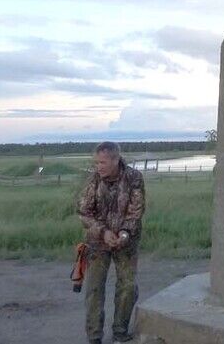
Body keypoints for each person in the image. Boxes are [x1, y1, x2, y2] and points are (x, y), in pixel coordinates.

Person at [78, 141, 146, 344]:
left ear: (116, 160)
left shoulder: (134, 178)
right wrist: (103, 232)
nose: (99, 166)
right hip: (98, 243)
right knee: (94, 290)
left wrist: (124, 233)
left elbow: (136, 211)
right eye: (96, 162)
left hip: (126, 242)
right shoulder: (93, 180)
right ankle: (94, 337)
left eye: (103, 162)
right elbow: (84, 212)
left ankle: (120, 333)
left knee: (128, 287)